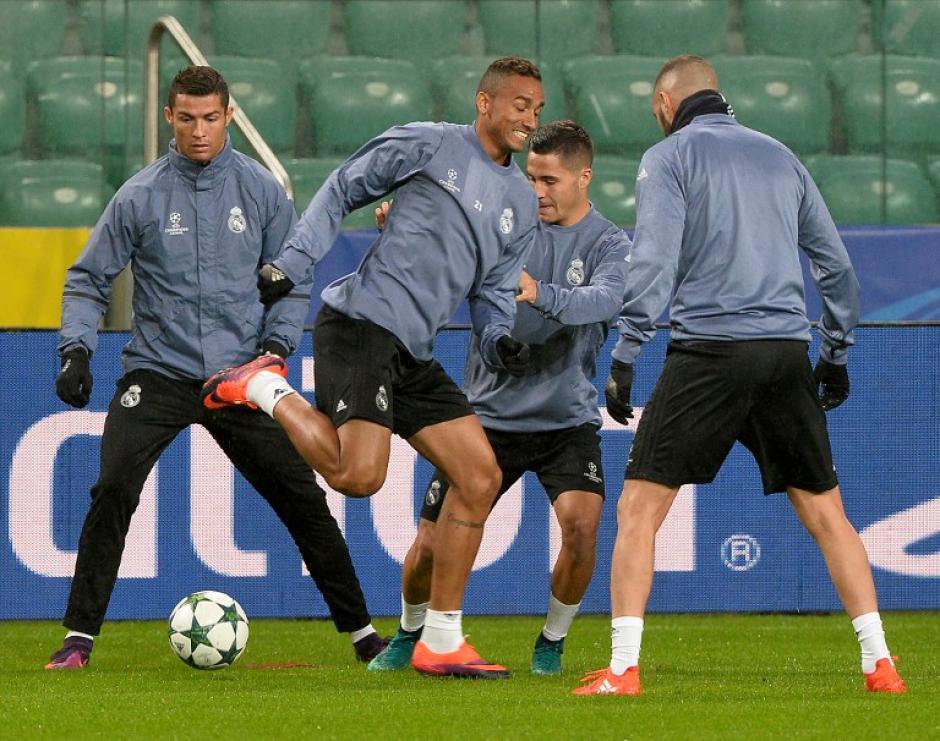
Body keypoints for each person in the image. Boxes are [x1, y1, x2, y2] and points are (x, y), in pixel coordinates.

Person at [572, 55, 906, 696]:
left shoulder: (668, 159)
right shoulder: (782, 156)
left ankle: (622, 670)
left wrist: (626, 352)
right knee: (829, 516)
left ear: (666, 105)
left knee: (640, 510)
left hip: (709, 353)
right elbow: (837, 270)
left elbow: (654, 262)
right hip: (784, 351)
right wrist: (834, 352)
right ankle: (880, 663)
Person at [201, 56, 544, 678]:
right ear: (485, 103)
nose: (530, 118)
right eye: (520, 105)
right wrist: (295, 263)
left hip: (412, 351)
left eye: (537, 109)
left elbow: (493, 292)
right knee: (359, 479)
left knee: (480, 475)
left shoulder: (520, 199)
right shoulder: (430, 143)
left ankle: (441, 641)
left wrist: (499, 341)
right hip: (361, 327)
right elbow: (343, 186)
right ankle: (263, 386)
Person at [46, 66, 386, 670]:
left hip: (241, 376)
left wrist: (277, 349)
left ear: (228, 117)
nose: (198, 131)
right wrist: (77, 348)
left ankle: (363, 636)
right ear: (170, 118)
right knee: (114, 486)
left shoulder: (261, 191)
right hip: (157, 371)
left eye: (210, 118)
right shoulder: (140, 195)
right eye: (186, 119)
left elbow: (291, 279)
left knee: (301, 496)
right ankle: (78, 639)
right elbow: (88, 278)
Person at [365, 120, 630, 676]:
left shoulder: (609, 243)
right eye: (532, 176)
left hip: (565, 420)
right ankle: (411, 631)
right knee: (430, 547)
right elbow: (445, 256)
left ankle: (551, 641)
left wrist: (542, 293)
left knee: (583, 527)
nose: (537, 190)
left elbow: (606, 300)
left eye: (551, 180)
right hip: (484, 417)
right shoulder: (503, 225)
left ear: (585, 177)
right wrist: (407, 227)